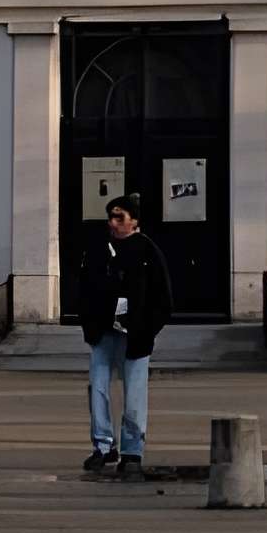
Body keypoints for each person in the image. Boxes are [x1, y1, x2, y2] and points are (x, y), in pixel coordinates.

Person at [77, 194, 173, 481]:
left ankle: (133, 450)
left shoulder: (147, 251)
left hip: (136, 334)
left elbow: (162, 297)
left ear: (135, 221)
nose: (113, 222)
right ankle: (103, 445)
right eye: (111, 216)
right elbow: (84, 287)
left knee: (134, 393)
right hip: (104, 331)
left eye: (120, 217)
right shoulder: (98, 249)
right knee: (99, 389)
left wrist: (146, 328)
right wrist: (90, 325)